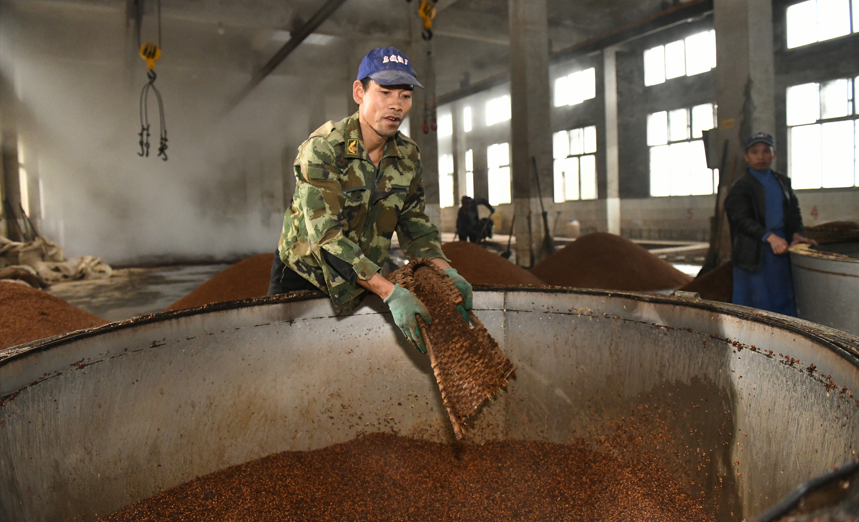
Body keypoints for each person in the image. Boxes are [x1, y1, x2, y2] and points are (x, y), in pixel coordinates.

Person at [268, 47, 472, 353]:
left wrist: (445, 271)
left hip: (363, 275)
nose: (396, 106)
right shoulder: (324, 149)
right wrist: (390, 293)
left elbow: (414, 226)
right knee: (289, 362)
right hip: (304, 275)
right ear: (359, 92)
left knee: (345, 363)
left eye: (405, 96)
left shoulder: (408, 155)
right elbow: (327, 236)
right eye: (385, 92)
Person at [724, 132, 817, 316]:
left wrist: (796, 234)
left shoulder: (783, 182)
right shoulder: (741, 187)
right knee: (755, 308)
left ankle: (785, 343)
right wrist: (770, 237)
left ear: (773, 154)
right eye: (755, 152)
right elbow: (741, 220)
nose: (761, 156)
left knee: (784, 302)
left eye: (766, 151)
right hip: (753, 255)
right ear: (746, 156)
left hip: (781, 251)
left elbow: (793, 212)